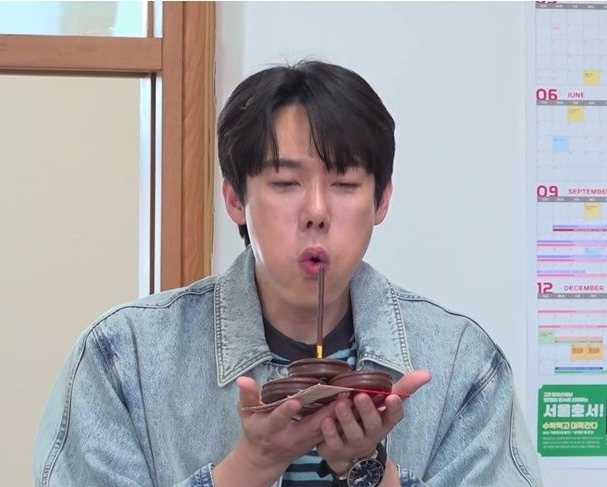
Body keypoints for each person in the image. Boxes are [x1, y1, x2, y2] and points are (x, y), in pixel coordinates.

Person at [33, 60, 542, 487]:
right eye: (285, 183)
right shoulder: (122, 359)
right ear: (236, 199)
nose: (316, 211)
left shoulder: (463, 366)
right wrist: (252, 465)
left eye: (344, 184)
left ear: (382, 200)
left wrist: (372, 472)